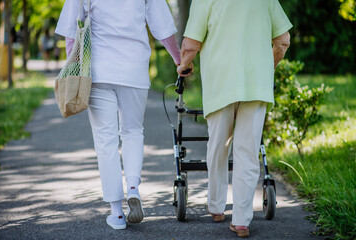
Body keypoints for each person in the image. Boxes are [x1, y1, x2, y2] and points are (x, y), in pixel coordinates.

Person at [55, 0, 181, 230]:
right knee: (133, 131)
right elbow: (162, 26)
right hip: (135, 70)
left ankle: (117, 214)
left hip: (99, 71)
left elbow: (70, 30)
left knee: (106, 141)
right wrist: (179, 60)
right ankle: (133, 187)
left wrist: (73, 66)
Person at [177, 0, 292, 237]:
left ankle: (217, 207)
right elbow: (283, 40)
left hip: (221, 84)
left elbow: (190, 44)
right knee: (248, 151)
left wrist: (183, 66)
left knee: (219, 145)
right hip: (256, 86)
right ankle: (241, 221)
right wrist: (266, 67)